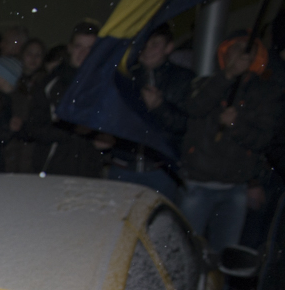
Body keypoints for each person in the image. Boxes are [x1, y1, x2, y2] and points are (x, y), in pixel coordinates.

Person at [179, 35, 281, 253]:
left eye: (249, 50)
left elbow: (262, 138)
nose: (243, 54)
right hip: (197, 186)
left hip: (235, 190)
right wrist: (227, 76)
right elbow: (195, 107)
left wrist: (235, 125)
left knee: (225, 257)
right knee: (187, 252)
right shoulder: (203, 83)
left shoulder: (263, 93)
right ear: (225, 53)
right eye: (237, 48)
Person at [107, 23, 194, 202]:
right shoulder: (124, 77)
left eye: (155, 44)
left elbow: (186, 124)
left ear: (169, 47)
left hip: (160, 170)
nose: (147, 50)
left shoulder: (183, 78)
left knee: (158, 219)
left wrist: (159, 107)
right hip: (122, 167)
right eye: (143, 44)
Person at [21, 21, 108, 178]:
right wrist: (72, 130)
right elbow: (33, 128)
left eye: (90, 48)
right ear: (69, 48)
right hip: (54, 170)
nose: (83, 53)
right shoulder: (51, 84)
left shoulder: (104, 85)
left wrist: (102, 139)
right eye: (79, 46)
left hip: (90, 172)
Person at [5, 38, 47, 173]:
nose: (33, 59)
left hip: (34, 140)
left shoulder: (45, 83)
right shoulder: (11, 80)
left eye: (38, 55)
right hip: (12, 139)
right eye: (29, 54)